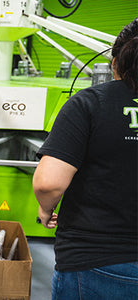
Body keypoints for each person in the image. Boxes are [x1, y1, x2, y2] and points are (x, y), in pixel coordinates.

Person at [32, 18, 138, 300]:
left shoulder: (88, 103)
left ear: (115, 63)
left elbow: (48, 184)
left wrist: (45, 210)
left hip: (97, 260)